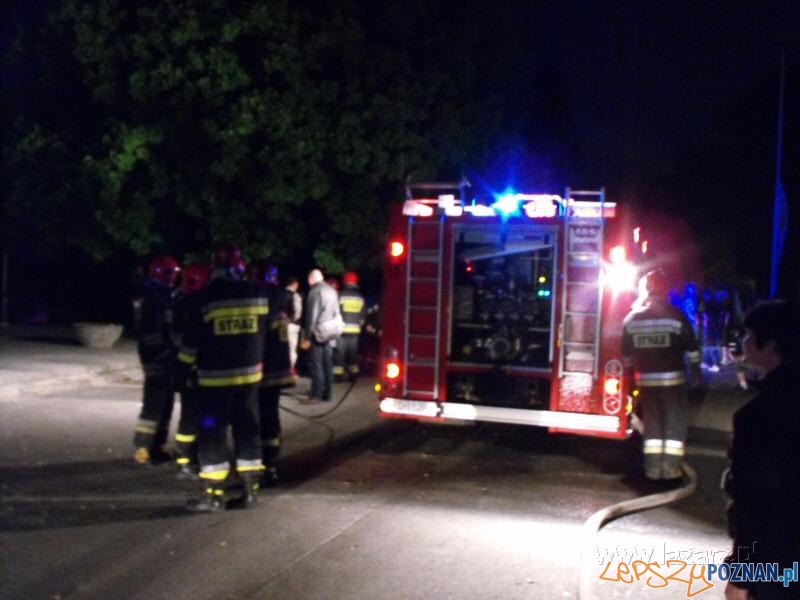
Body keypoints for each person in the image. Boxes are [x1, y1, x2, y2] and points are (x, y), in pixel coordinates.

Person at [178, 244, 269, 512]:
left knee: (212, 434)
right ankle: (250, 491)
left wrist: (182, 372)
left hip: (214, 383)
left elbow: (190, 344)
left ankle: (214, 495)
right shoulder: (259, 295)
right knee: (249, 431)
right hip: (250, 381)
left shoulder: (204, 299)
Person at [723, 300, 800, 600]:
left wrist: (742, 574)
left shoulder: (762, 416)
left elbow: (757, 502)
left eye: (749, 336)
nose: (742, 342)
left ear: (770, 347)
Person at [621, 269, 703, 482]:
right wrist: (696, 374)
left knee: (653, 426)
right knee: (674, 424)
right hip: (673, 382)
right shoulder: (676, 316)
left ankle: (653, 470)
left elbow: (626, 355)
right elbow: (692, 349)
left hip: (646, 383)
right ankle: (671, 470)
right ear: (666, 289)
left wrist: (630, 379)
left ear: (644, 289)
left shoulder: (631, 319)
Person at [249, 259, 296, 487]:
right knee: (271, 417)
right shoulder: (280, 296)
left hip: (260, 368)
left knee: (254, 417)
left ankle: (255, 463)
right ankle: (271, 465)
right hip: (278, 368)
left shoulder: (257, 294)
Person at [133, 255, 181, 466]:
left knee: (165, 403)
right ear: (160, 273)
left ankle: (156, 447)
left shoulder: (160, 294)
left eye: (175, 273)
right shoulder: (153, 296)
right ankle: (144, 448)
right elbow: (152, 331)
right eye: (170, 273)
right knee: (154, 404)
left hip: (162, 357)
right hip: (157, 358)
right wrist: (165, 352)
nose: (174, 277)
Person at [171, 261, 212, 479]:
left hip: (189, 368)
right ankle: (186, 461)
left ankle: (189, 458)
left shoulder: (180, 299)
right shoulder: (194, 303)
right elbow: (192, 341)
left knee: (194, 416)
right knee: (194, 417)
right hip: (195, 369)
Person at [302, 269, 341, 403]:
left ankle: (316, 394)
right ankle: (328, 393)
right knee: (327, 363)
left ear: (311, 280)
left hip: (317, 332)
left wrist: (307, 336)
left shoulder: (315, 291)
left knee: (316, 364)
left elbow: (311, 315)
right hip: (329, 332)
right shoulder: (332, 290)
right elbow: (336, 312)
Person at [339, 271, 366, 381]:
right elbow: (363, 316)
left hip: (341, 329)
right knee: (353, 353)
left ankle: (338, 375)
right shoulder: (360, 297)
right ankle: (353, 375)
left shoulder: (340, 295)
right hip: (355, 330)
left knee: (340, 352)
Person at [285, 276, 303, 371]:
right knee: (292, 348)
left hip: (281, 325)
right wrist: (293, 319)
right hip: (292, 325)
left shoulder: (280, 294)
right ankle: (290, 369)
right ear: (295, 284)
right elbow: (298, 312)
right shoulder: (295, 296)